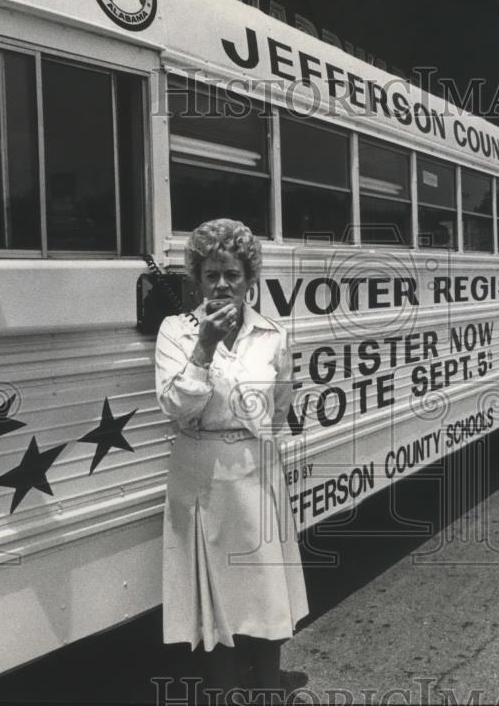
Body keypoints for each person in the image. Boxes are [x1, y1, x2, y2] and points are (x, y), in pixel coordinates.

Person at [155, 218, 308, 702]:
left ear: (250, 279)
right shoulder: (176, 332)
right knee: (213, 593)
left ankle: (267, 688)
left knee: (264, 588)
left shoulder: (272, 335)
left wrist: (251, 433)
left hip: (254, 468)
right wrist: (203, 349)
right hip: (200, 473)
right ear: (196, 279)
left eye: (232, 275)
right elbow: (174, 406)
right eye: (211, 274)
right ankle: (223, 691)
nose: (221, 285)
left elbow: (280, 406)